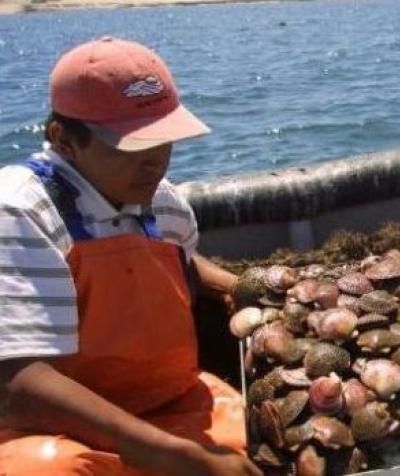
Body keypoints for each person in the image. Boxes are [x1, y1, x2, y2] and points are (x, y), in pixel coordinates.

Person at [0, 37, 261, 476]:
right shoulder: (19, 211)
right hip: (51, 428)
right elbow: (16, 388)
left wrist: (238, 288)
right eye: (132, 145)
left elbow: (176, 261)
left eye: (164, 140)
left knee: (271, 435)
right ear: (63, 139)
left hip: (170, 403)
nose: (155, 161)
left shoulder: (164, 203)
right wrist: (173, 455)